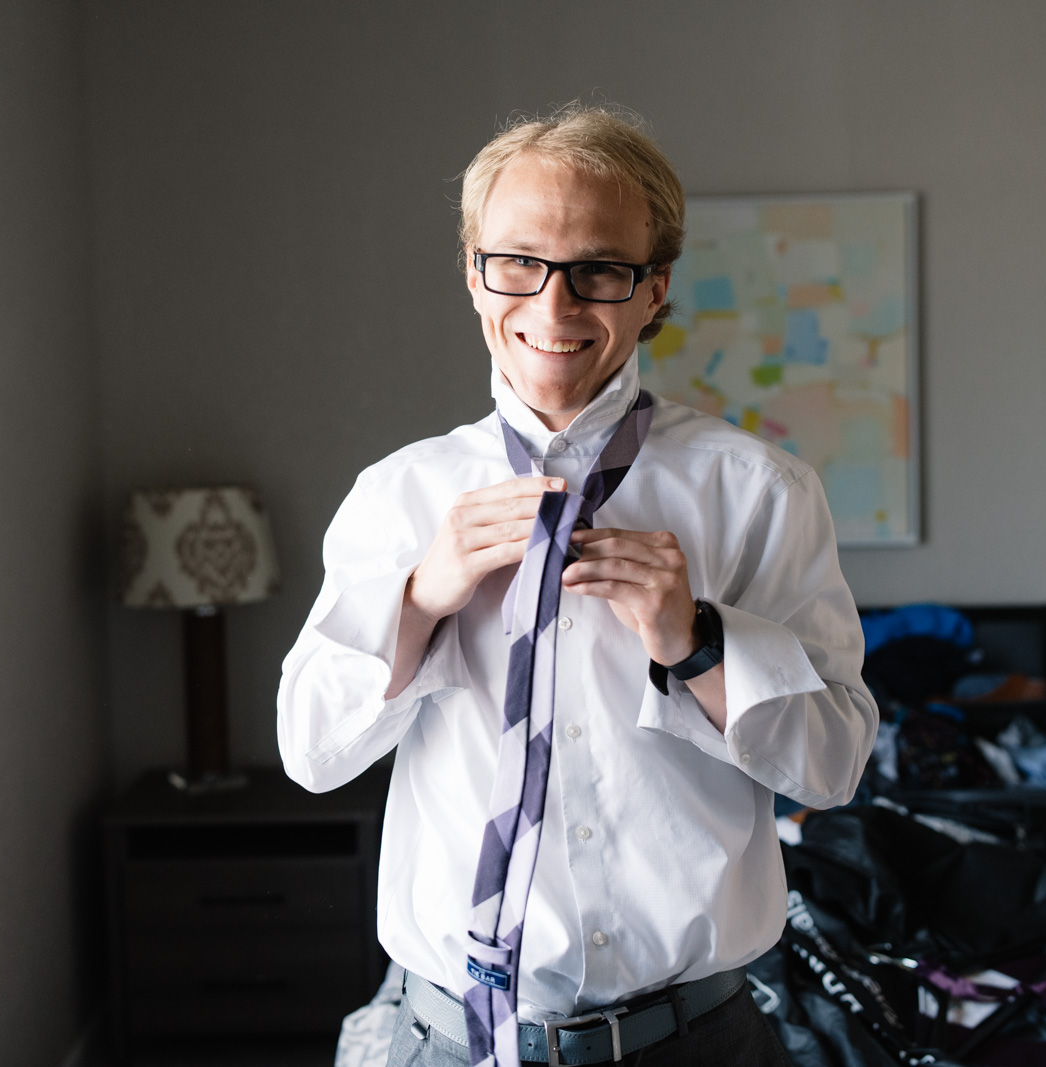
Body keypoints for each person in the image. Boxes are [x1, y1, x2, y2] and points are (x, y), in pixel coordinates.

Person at [278, 105, 875, 1067]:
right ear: (475, 275)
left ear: (655, 292)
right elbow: (311, 751)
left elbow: (834, 767)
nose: (554, 310)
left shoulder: (757, 491)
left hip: (698, 1043)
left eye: (599, 270)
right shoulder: (397, 498)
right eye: (519, 263)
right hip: (451, 1044)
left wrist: (700, 643)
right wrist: (420, 601)